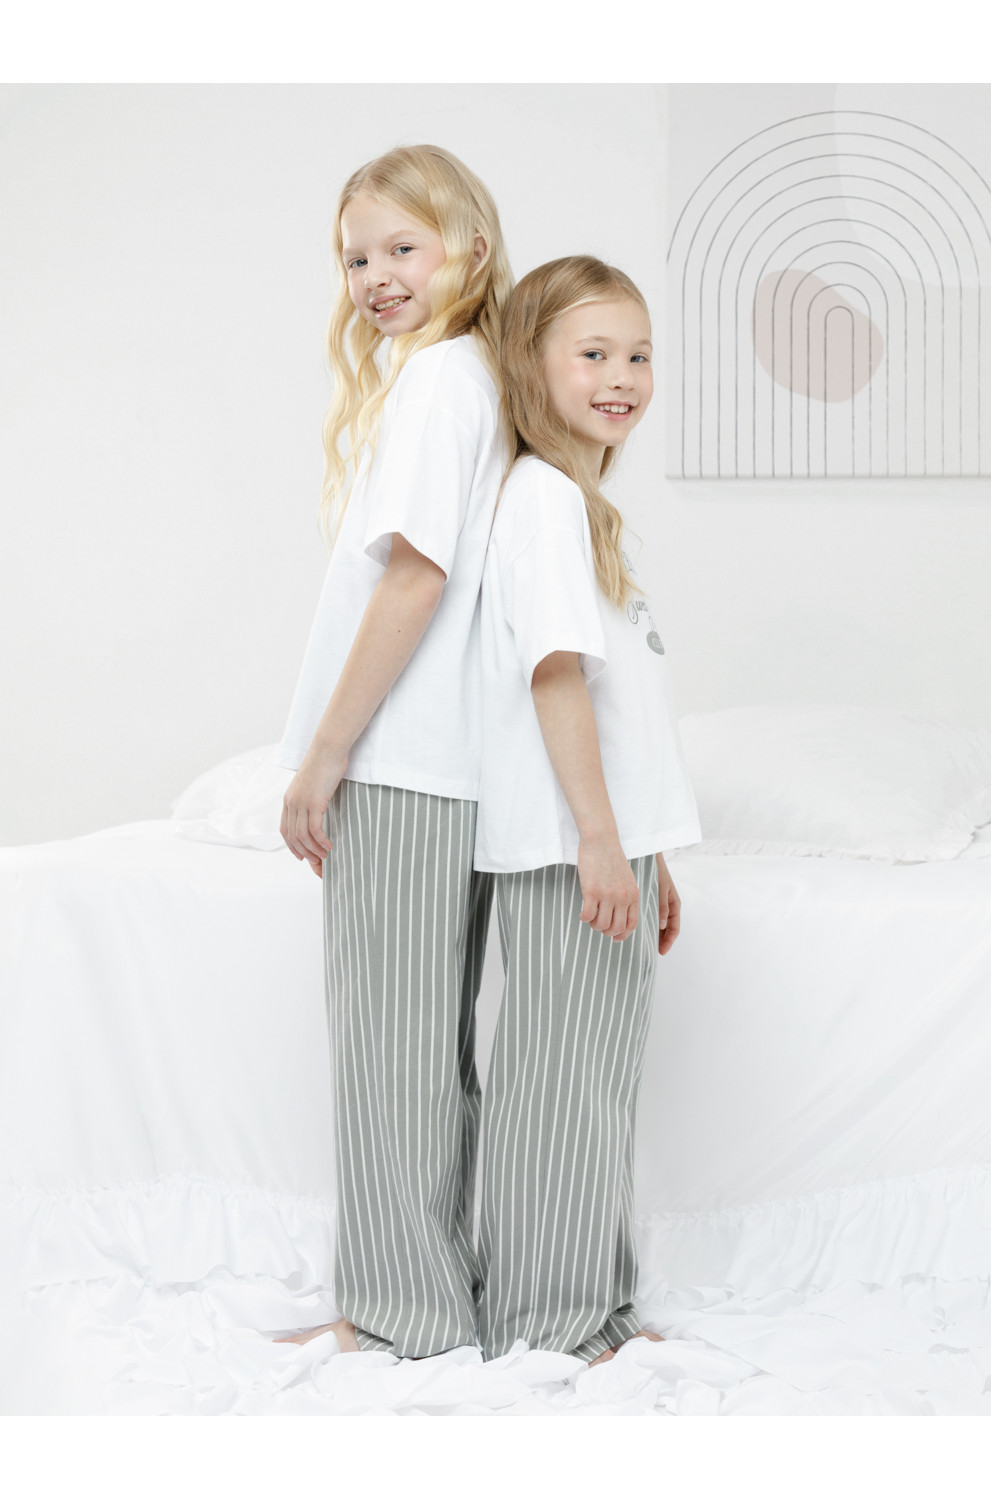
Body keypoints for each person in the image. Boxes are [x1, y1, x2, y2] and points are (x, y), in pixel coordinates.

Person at [275, 144, 512, 1358]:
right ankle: (430, 1296)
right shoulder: (473, 378)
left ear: (469, 246)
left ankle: (397, 1313)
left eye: (400, 247)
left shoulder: (436, 385)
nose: (373, 275)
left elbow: (414, 578)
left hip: (401, 762)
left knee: (389, 1051)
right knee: (422, 1050)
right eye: (355, 256)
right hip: (446, 765)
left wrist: (322, 757)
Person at [473, 255, 702, 1365]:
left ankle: (591, 1305)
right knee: (561, 1087)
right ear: (532, 364)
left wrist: (649, 852)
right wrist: (601, 845)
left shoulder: (580, 503)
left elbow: (622, 712)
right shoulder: (544, 500)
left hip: (608, 848)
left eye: (638, 355)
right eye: (595, 354)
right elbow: (554, 677)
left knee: (593, 1082)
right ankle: (548, 1318)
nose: (623, 378)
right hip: (573, 849)